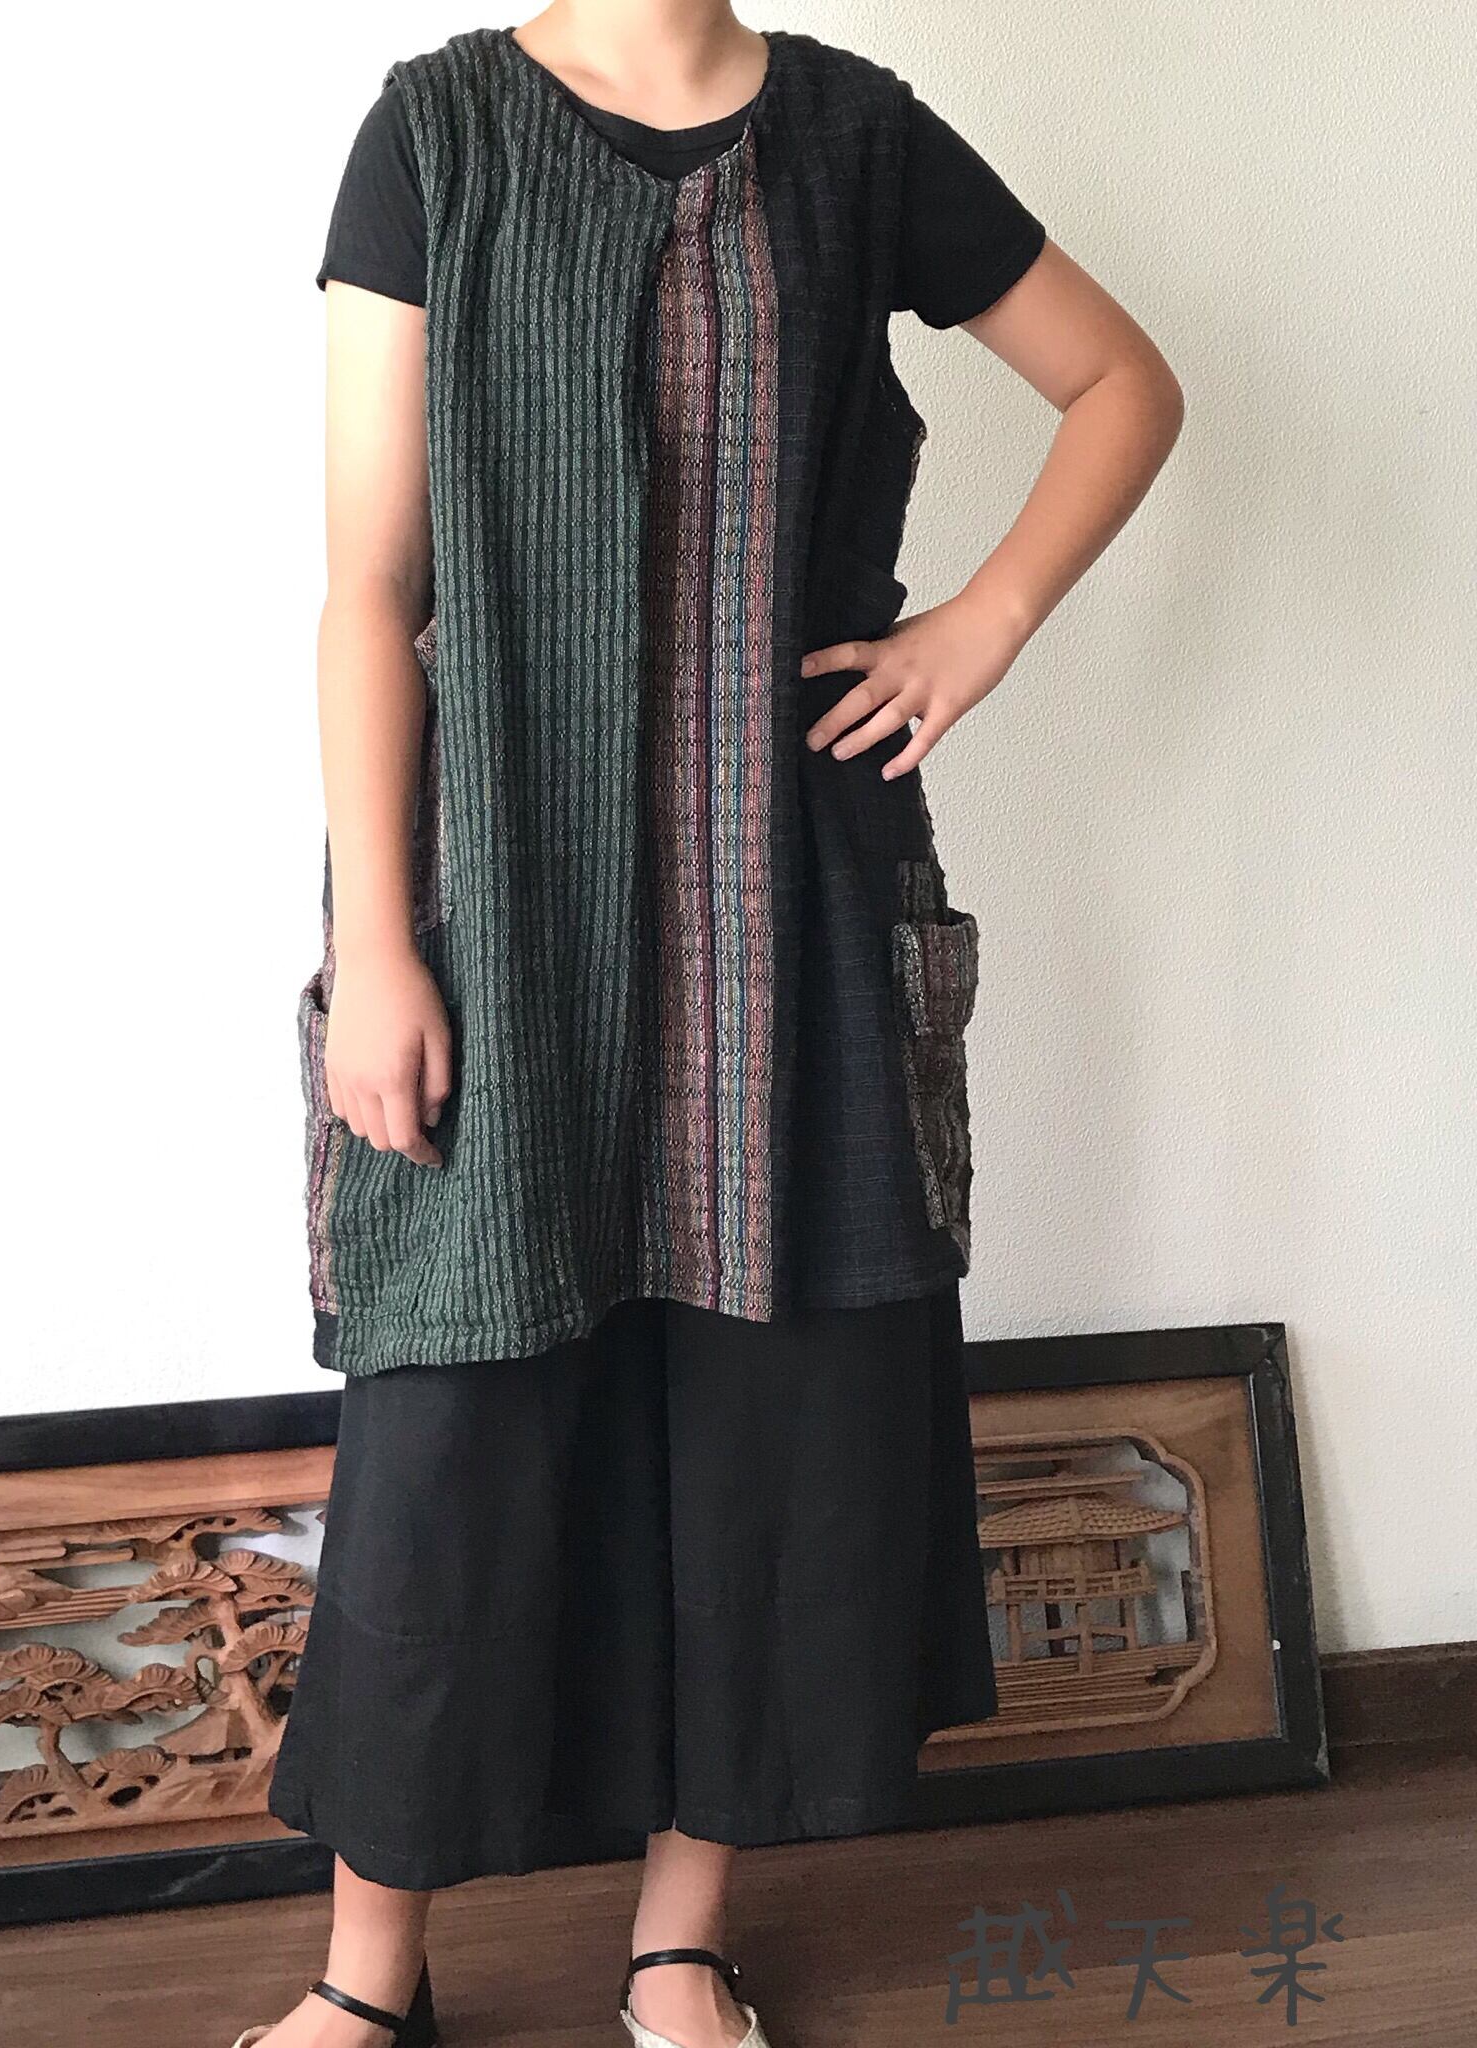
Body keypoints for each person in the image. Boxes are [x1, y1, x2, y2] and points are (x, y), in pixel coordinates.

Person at [241, 7, 1183, 2045]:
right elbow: (368, 585)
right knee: (449, 1430)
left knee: (767, 1438)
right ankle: (366, 1977)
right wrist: (380, 943)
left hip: (794, 894)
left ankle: (681, 1938)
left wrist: (983, 622)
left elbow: (1123, 382)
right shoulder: (437, 137)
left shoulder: (856, 137)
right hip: (494, 899)